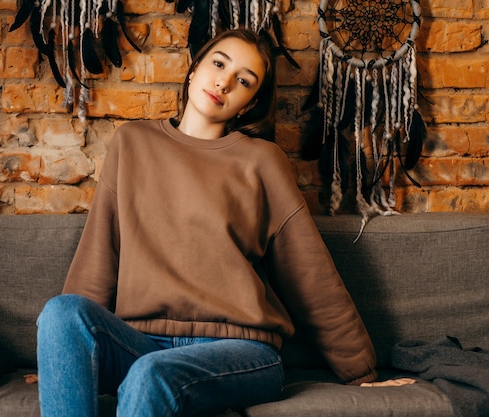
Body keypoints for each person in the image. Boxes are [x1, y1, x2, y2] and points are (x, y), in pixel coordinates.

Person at [35, 28, 412, 417]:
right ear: (195, 68)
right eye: (219, 64)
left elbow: (310, 272)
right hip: (141, 342)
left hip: (240, 353)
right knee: (62, 313)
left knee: (152, 374)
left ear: (248, 104)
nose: (224, 82)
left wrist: (361, 373)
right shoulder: (132, 143)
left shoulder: (261, 161)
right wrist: (63, 360)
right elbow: (99, 250)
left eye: (244, 81)